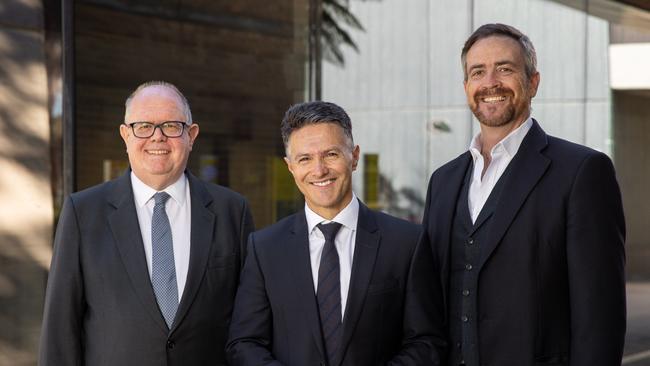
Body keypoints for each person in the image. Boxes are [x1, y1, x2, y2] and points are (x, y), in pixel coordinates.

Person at [417, 23, 626, 366]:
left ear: (532, 83)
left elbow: (600, 318)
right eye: (478, 72)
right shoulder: (443, 181)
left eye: (505, 68)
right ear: (466, 86)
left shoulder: (582, 171)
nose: (490, 83)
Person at [38, 81, 254, 366]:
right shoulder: (83, 213)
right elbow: (60, 330)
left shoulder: (232, 211)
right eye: (143, 126)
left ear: (192, 135)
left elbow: (250, 325)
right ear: (125, 135)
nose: (157, 137)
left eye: (171, 126)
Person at [226, 101, 443, 366]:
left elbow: (426, 342)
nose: (319, 170)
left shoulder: (406, 243)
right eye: (305, 158)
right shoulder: (265, 248)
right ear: (290, 167)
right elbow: (245, 343)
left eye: (331, 154)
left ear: (354, 156)